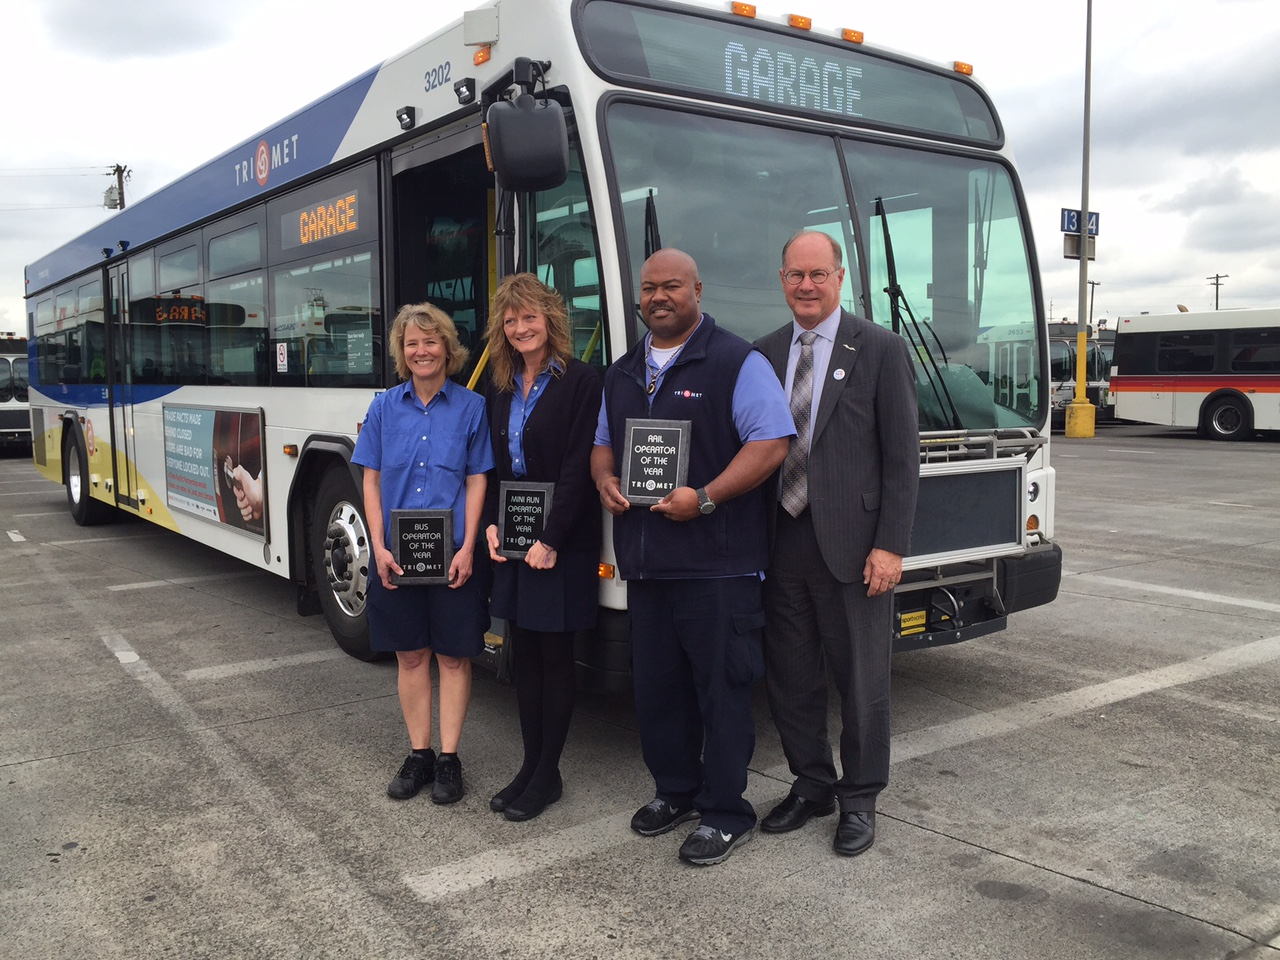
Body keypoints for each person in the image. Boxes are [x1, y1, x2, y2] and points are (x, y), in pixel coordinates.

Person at [591, 248, 793, 866]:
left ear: (697, 289)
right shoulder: (623, 370)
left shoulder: (736, 360)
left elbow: (772, 443)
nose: (659, 297)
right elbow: (604, 445)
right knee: (658, 691)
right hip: (649, 568)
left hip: (718, 567)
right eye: (649, 288)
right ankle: (674, 791)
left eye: (671, 286)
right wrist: (604, 481)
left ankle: (726, 810)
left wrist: (704, 498)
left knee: (722, 693)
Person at [753, 231, 919, 857]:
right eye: (796, 275)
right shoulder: (765, 355)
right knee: (792, 676)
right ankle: (811, 783)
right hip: (781, 540)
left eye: (818, 274)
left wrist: (891, 546)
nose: (806, 285)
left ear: (839, 277)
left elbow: (904, 460)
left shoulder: (879, 348)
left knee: (862, 679)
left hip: (855, 547)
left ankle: (860, 798)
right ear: (782, 279)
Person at [353, 302, 494, 805]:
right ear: (401, 351)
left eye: (430, 341)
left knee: (455, 657)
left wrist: (469, 545)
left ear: (447, 348)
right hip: (397, 554)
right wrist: (379, 545)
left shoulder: (471, 407)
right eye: (411, 343)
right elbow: (370, 479)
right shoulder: (383, 408)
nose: (421, 351)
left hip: (452, 552)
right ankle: (420, 755)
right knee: (411, 656)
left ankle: (450, 760)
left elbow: (477, 479)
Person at [482, 273, 602, 822]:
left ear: (550, 321)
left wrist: (551, 539)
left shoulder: (581, 382)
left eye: (530, 317)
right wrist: (489, 524)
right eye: (511, 320)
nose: (521, 327)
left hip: (562, 542)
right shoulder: (501, 387)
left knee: (555, 657)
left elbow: (580, 466)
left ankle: (548, 773)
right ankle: (530, 767)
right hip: (513, 539)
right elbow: (493, 466)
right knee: (523, 656)